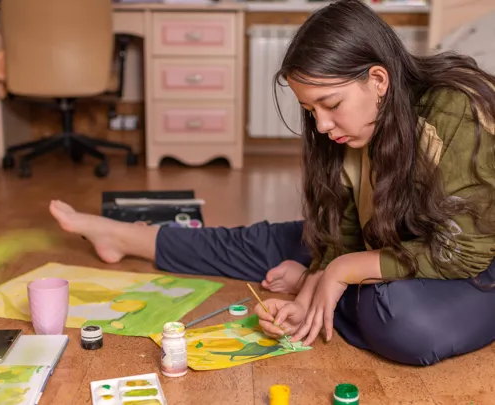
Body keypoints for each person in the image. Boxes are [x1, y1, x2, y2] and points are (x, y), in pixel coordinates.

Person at [49, 0, 495, 366]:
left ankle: (332, 293)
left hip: (470, 266)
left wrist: (332, 274)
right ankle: (126, 236)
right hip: (386, 247)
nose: (320, 125)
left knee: (402, 322)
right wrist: (323, 272)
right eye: (310, 110)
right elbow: (343, 235)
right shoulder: (349, 129)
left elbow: (463, 251)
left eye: (330, 104)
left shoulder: (453, 111)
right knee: (268, 243)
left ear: (378, 80)